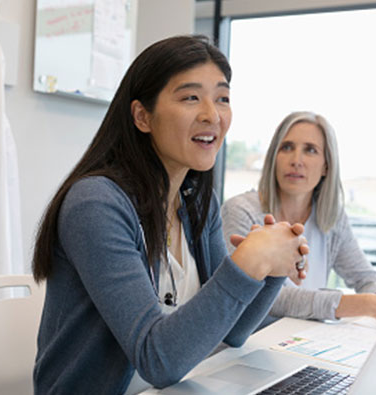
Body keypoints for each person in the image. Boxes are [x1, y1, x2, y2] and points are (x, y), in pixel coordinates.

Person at [32, 35, 309, 394]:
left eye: (222, 98)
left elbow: (234, 330)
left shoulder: (197, 201)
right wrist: (245, 265)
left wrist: (271, 269)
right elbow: (157, 359)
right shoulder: (96, 204)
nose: (212, 114)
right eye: (191, 97)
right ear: (142, 116)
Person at [222, 111, 376, 329]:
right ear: (274, 158)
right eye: (287, 147)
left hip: (302, 343)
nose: (296, 160)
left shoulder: (332, 218)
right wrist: (368, 304)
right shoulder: (241, 211)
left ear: (327, 165)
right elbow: (271, 299)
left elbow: (364, 276)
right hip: (247, 347)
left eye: (310, 150)